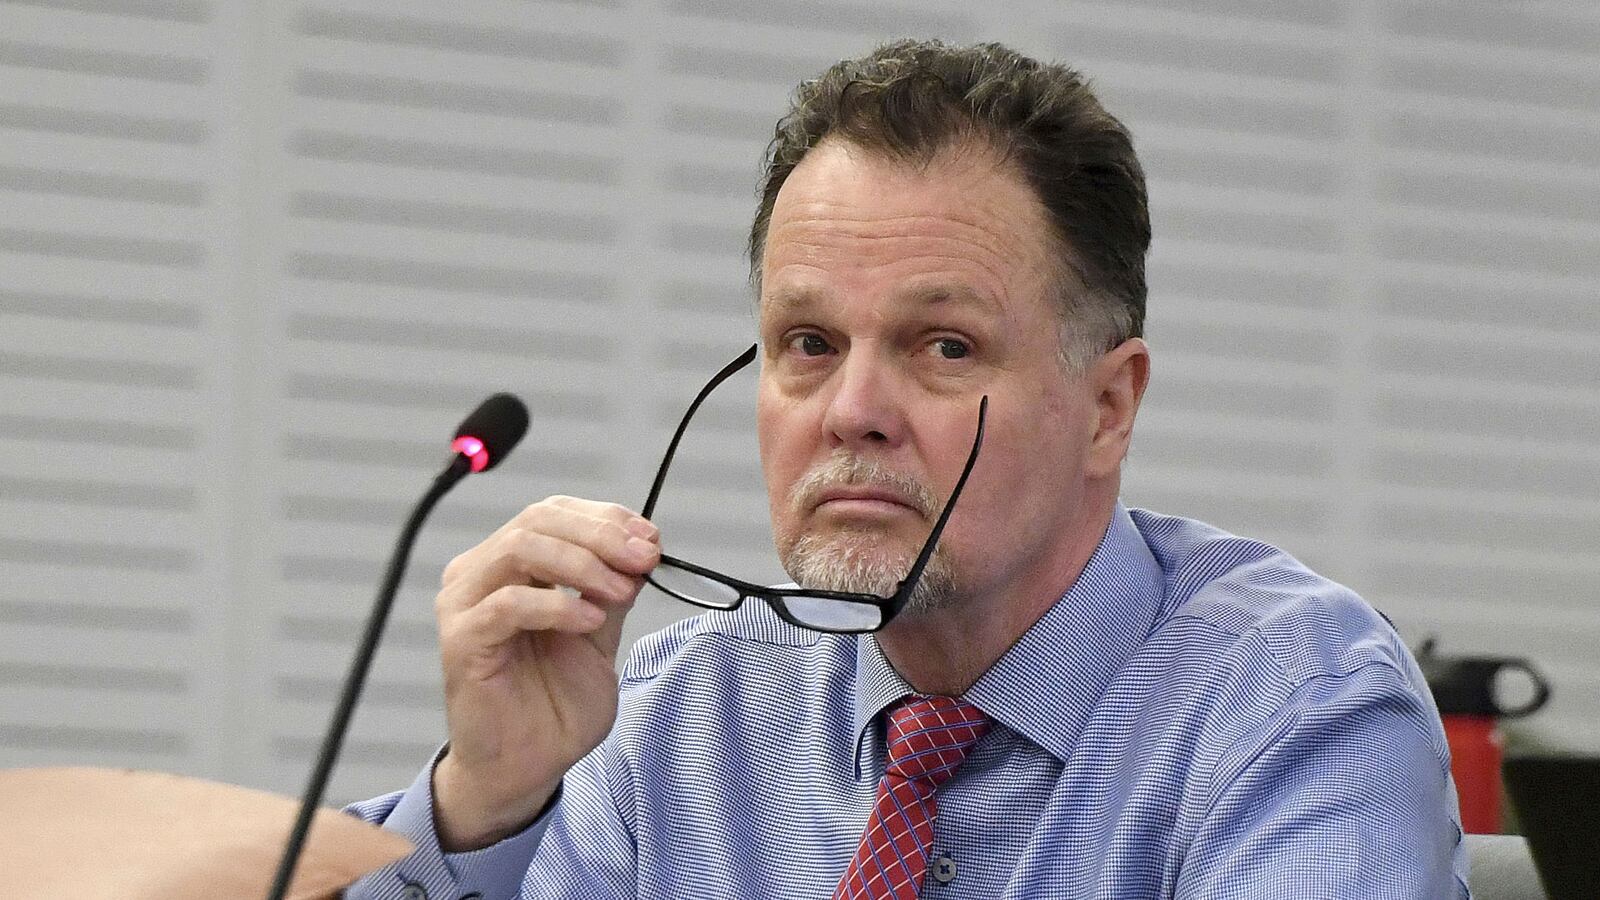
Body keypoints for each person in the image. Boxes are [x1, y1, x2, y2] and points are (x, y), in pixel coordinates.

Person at [346, 39, 1467, 899]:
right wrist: (488, 806)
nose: (854, 413)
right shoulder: (668, 715)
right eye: (809, 346)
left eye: (944, 348)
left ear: (1106, 408)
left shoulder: (1290, 704)